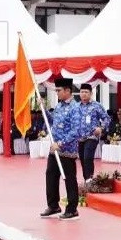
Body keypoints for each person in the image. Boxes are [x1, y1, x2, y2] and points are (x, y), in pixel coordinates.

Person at [41, 78, 82, 221]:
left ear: (68, 91)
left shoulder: (75, 108)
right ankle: (53, 206)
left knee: (69, 179)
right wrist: (44, 111)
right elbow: (53, 121)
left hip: (67, 150)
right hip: (54, 149)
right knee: (51, 176)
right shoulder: (59, 107)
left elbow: (76, 130)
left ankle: (72, 209)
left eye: (59, 91)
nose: (57, 93)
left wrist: (61, 143)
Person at [77, 84, 109, 182]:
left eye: (86, 92)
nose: (84, 94)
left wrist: (101, 128)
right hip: (79, 138)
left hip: (92, 137)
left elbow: (107, 118)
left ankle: (89, 179)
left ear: (91, 93)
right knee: (82, 159)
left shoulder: (96, 105)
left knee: (87, 157)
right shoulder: (76, 106)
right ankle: (87, 179)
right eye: (82, 92)